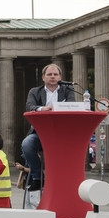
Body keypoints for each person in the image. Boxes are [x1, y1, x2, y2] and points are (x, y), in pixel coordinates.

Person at [20, 63, 76, 191]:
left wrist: (58, 108)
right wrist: (43, 109)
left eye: (55, 74)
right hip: (39, 133)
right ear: (43, 77)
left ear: (60, 77)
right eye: (49, 74)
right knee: (27, 144)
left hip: (61, 133)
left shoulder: (68, 90)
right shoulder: (35, 91)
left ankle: (65, 178)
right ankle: (38, 178)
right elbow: (30, 107)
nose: (52, 77)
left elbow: (71, 104)